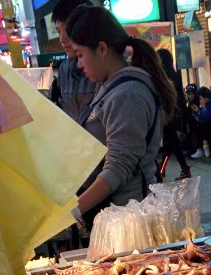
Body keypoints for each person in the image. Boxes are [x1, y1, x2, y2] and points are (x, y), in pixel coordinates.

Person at [65, 5, 177, 225]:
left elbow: (118, 168)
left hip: (132, 220)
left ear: (102, 48)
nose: (79, 64)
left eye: (80, 55)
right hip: (116, 218)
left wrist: (69, 213)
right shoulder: (108, 87)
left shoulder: (127, 94)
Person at [51, 0, 96, 124]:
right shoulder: (64, 69)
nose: (62, 39)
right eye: (59, 32)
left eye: (68, 30)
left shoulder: (105, 66)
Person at [156, 48, 191, 181]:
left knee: (171, 143)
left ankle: (182, 169)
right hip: (176, 114)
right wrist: (185, 116)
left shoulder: (162, 77)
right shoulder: (175, 74)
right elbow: (181, 97)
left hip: (168, 114)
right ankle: (163, 169)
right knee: (169, 144)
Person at [189, 86, 211, 159]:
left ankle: (204, 149)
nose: (200, 100)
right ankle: (201, 148)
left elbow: (207, 118)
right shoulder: (208, 103)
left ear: (205, 97)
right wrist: (198, 111)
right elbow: (202, 117)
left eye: (200, 98)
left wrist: (203, 108)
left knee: (202, 125)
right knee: (198, 124)